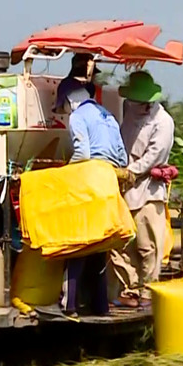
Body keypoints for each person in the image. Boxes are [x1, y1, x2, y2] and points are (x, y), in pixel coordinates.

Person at [48, 79, 128, 318]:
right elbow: (122, 156)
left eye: (64, 107)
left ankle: (69, 306)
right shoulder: (108, 115)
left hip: (91, 183)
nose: (65, 113)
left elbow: (82, 153)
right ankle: (101, 308)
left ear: (70, 101)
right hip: (111, 183)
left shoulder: (78, 116)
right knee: (100, 246)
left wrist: (65, 172)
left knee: (79, 245)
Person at [110, 71, 176, 308]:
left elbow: (154, 155)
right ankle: (130, 288)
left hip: (148, 189)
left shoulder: (163, 122)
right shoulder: (128, 113)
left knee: (148, 246)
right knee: (122, 244)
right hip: (125, 188)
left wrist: (132, 171)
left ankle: (148, 291)